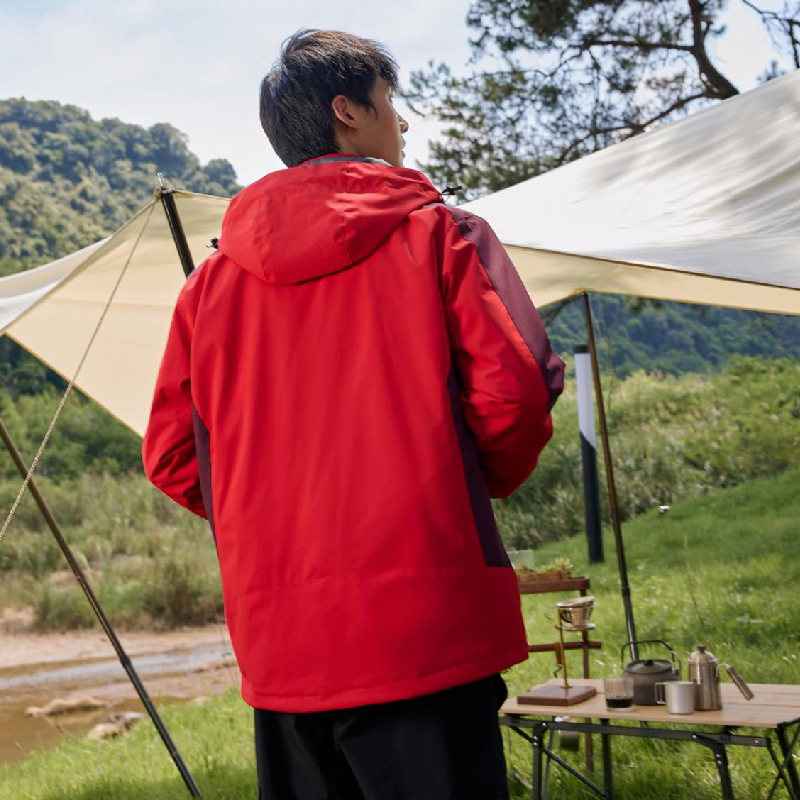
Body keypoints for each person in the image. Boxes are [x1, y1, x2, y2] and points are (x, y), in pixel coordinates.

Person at [142, 28, 564, 800]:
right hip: (427, 627)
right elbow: (516, 392)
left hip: (283, 646)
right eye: (390, 102)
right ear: (348, 112)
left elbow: (172, 457)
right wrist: (459, 488)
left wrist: (270, 519)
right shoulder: (442, 235)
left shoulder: (207, 289)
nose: (400, 122)